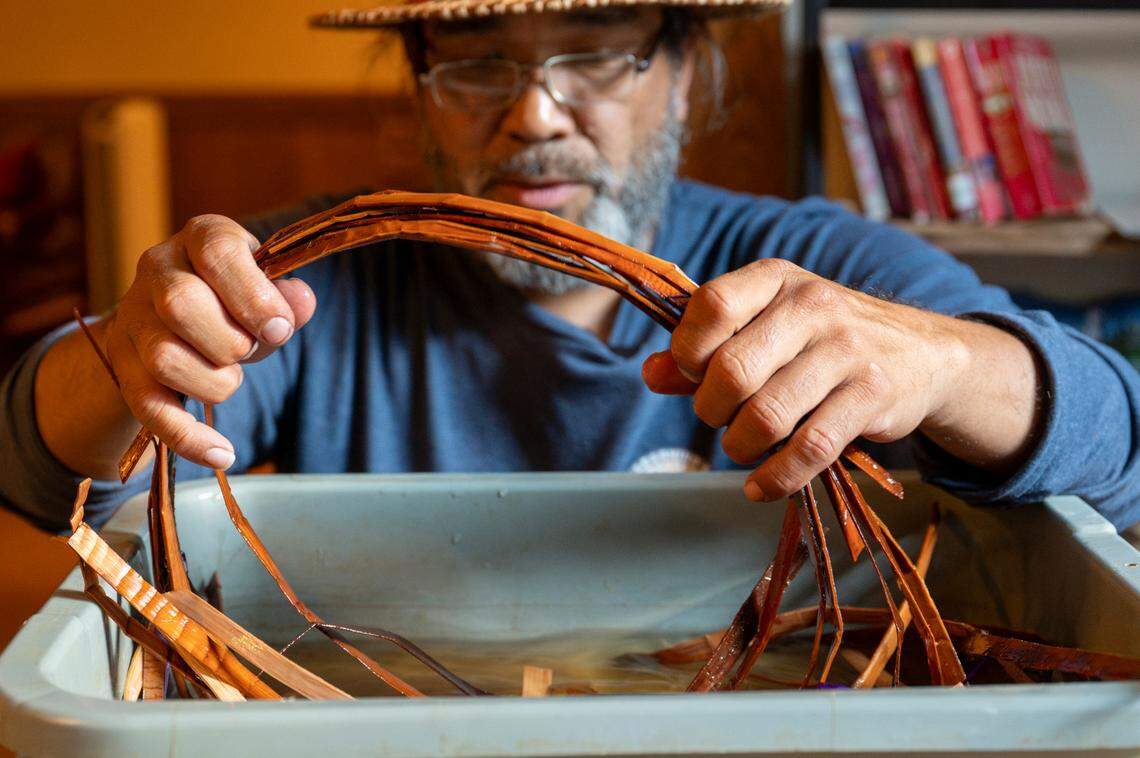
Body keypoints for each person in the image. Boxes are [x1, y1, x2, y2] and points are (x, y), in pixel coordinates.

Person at [2, 0, 1138, 533]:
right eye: (476, 65)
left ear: (687, 73)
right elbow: (40, 467)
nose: (534, 116)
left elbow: (1121, 435)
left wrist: (943, 363)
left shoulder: (816, 261)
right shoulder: (318, 278)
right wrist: (121, 361)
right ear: (421, 89)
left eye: (595, 49)